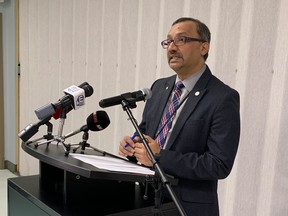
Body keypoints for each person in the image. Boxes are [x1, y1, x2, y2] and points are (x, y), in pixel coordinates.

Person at [119, 17, 240, 216]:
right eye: (168, 42)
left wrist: (160, 157)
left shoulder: (223, 97)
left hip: (187, 207)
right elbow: (144, 132)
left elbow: (219, 165)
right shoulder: (159, 87)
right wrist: (132, 145)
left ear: (203, 47)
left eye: (181, 40)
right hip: (146, 202)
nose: (171, 48)